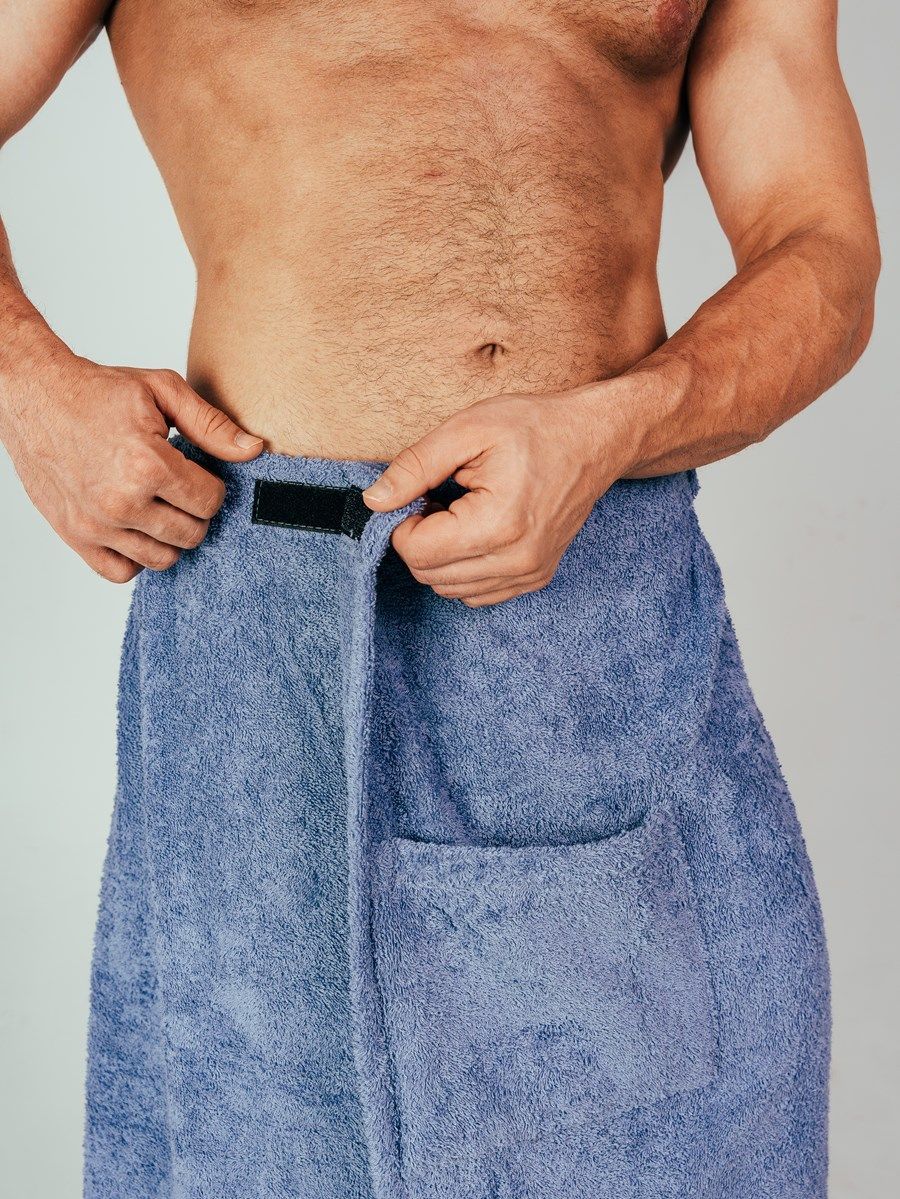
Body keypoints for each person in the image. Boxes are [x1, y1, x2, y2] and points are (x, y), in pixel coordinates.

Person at [0, 2, 879, 1197]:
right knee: (250, 1153)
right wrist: (31, 388)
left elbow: (822, 245)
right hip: (267, 643)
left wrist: (618, 423)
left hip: (596, 621)